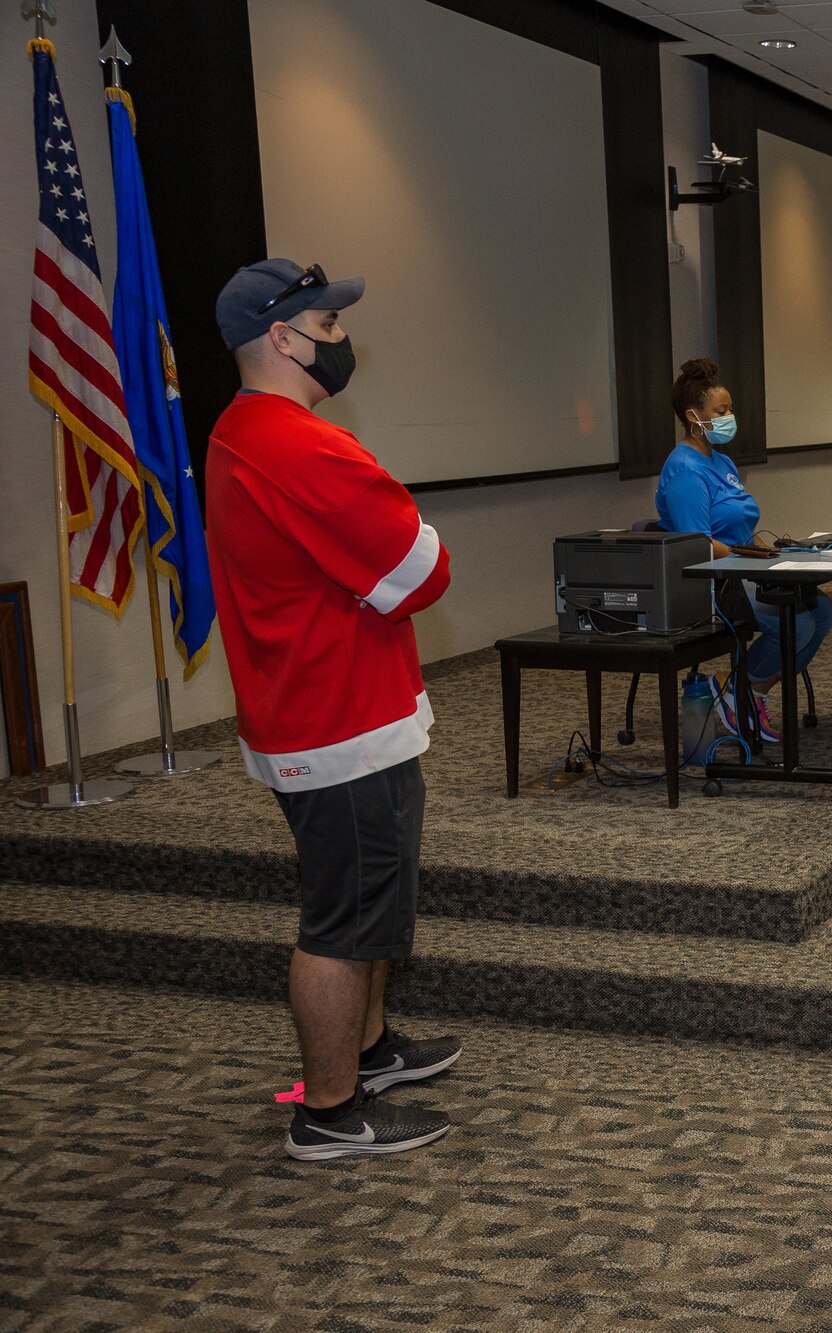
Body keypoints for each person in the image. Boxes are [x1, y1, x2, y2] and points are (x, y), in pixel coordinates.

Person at [206, 260, 462, 1161]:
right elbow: (423, 570)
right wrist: (396, 550)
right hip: (337, 726)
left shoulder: (249, 429)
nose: (341, 336)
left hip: (338, 713)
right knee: (345, 922)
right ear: (282, 338)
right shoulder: (295, 441)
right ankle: (327, 1110)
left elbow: (384, 570)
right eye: (327, 322)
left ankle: (371, 1051)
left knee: (371, 905)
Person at [656, 358, 832, 741]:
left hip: (743, 567)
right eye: (721, 411)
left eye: (730, 409)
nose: (729, 417)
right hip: (712, 581)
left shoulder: (720, 461)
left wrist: (773, 555)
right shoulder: (686, 471)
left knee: (823, 610)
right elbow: (696, 543)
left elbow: (741, 526)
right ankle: (739, 690)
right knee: (797, 623)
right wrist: (751, 561)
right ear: (693, 416)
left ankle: (747, 692)